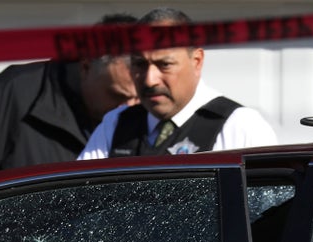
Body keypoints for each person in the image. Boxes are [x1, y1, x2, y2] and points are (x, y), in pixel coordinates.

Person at [0, 13, 139, 181]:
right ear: (85, 66)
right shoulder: (3, 101)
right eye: (119, 97)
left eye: (141, 97)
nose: (131, 108)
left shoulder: (152, 111)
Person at [78, 7, 279, 160]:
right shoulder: (115, 125)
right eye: (139, 64)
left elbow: (268, 209)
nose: (150, 79)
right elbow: (78, 201)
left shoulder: (239, 126)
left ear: (197, 61)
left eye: (164, 65)